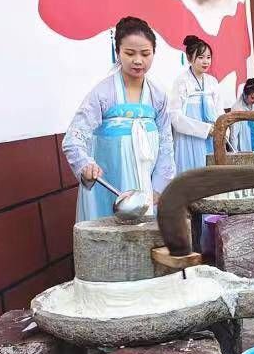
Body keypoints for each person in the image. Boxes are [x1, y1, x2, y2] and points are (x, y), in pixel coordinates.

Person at [63, 16, 175, 222]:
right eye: (130, 53)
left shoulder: (159, 96)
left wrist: (159, 187)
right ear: (118, 53)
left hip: (147, 189)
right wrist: (85, 165)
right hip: (110, 185)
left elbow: (166, 144)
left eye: (145, 53)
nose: (138, 60)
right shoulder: (102, 93)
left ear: (154, 54)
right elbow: (73, 138)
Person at [168, 35, 224, 174]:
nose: (205, 61)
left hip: (212, 137)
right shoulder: (181, 81)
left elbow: (220, 111)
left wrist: (223, 130)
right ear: (189, 58)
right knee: (194, 176)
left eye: (208, 57)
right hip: (189, 139)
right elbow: (175, 117)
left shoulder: (212, 82)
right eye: (200, 57)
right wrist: (205, 129)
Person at [228, 78, 254, 151]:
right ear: (245, 95)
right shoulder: (237, 108)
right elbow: (233, 135)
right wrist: (234, 153)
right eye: (252, 98)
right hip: (244, 136)